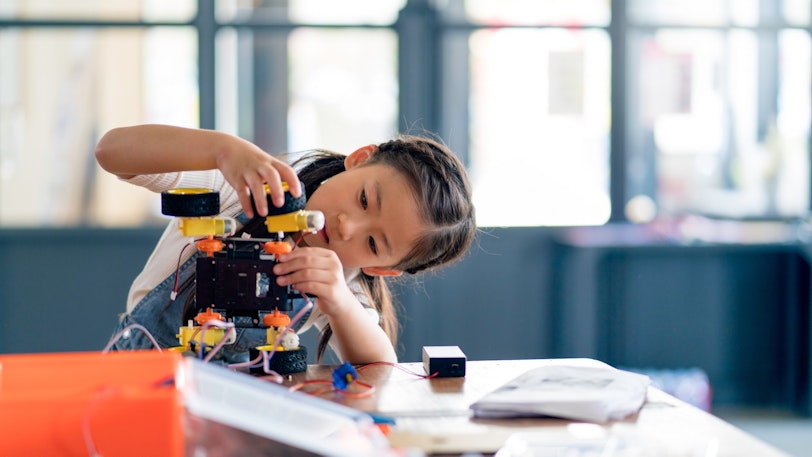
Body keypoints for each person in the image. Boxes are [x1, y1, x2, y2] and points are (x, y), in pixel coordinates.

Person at [95, 124, 476, 365]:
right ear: (360, 159)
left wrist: (339, 301)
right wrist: (222, 150)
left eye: (373, 243)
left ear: (380, 269)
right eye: (363, 199)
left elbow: (381, 363)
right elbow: (110, 152)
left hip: (228, 405)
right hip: (138, 373)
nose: (347, 227)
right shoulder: (243, 187)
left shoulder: (339, 278)